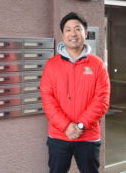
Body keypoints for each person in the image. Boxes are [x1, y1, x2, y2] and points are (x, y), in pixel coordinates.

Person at [40, 12, 110, 173]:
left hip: (88, 136)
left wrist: (80, 125)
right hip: (58, 136)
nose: (73, 33)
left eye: (78, 29)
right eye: (68, 29)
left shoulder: (97, 65)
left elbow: (102, 99)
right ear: (63, 35)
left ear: (85, 33)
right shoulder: (51, 65)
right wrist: (66, 126)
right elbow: (47, 99)